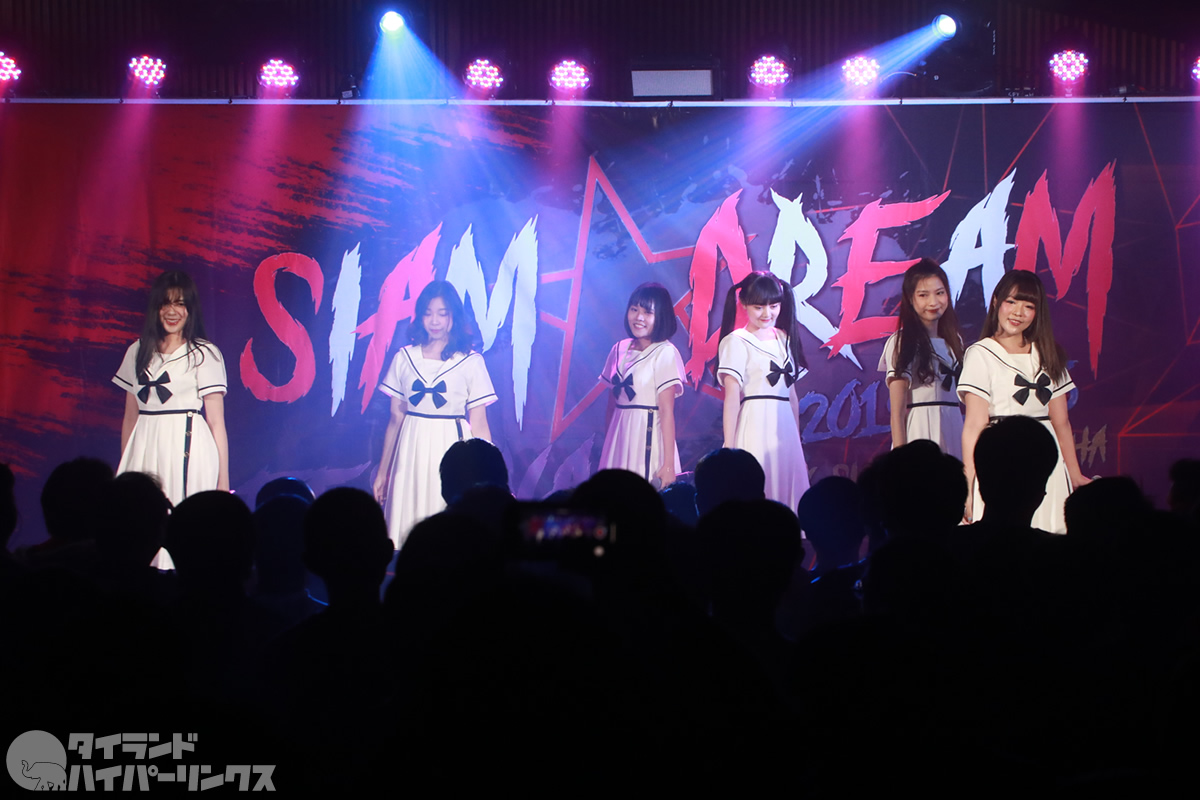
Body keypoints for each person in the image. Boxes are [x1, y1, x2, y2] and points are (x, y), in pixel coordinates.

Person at [958, 270, 1090, 533]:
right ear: (996, 301)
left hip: (1046, 459)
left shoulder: (1048, 352)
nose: (1018, 312)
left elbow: (1061, 421)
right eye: (1011, 302)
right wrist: (969, 488)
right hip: (1001, 456)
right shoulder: (981, 353)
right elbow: (974, 425)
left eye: (1028, 306)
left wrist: (1074, 474)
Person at [113, 271, 228, 568]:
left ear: (190, 309)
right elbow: (130, 416)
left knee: (185, 523)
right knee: (139, 522)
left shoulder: (204, 354)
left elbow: (216, 422)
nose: (172, 311)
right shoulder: (137, 351)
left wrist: (223, 481)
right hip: (144, 444)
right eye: (165, 303)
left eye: (180, 303)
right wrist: (126, 465)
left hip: (188, 446)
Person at [373, 280, 497, 549]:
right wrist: (383, 472)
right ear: (420, 316)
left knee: (448, 523)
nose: (435, 321)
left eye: (442, 313)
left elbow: (479, 424)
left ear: (454, 316)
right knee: (405, 523)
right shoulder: (404, 358)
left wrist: (490, 476)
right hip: (410, 450)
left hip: (451, 450)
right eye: (428, 313)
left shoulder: (470, 362)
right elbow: (395, 419)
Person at [716, 271, 810, 512]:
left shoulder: (785, 338)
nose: (767, 313)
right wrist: (729, 446)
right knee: (758, 486)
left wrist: (796, 437)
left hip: (785, 428)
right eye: (759, 307)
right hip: (755, 422)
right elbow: (731, 398)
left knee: (789, 489)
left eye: (774, 306)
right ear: (744, 304)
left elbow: (792, 395)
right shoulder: (736, 341)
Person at [598, 283, 687, 489]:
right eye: (634, 309)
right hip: (618, 438)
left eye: (648, 312)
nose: (639, 317)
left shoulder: (665, 352)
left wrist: (668, 464)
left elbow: (666, 411)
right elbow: (611, 405)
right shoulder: (618, 349)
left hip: (648, 436)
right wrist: (609, 445)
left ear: (661, 316)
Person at [879, 259, 965, 457]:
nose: (933, 302)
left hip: (953, 426)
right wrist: (900, 456)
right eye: (923, 295)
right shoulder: (902, 341)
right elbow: (897, 412)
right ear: (911, 299)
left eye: (940, 293)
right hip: (919, 428)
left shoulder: (955, 341)